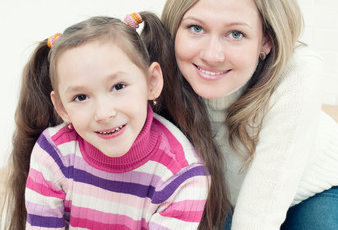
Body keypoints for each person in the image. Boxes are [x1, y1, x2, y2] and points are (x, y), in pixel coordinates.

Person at [159, 0, 338, 229]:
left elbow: (257, 218)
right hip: (225, 197)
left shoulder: (298, 73)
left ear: (266, 41)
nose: (211, 55)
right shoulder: (156, 71)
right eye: (196, 28)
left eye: (236, 34)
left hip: (313, 190)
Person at [1, 12, 216, 230]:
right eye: (81, 97)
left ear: (152, 82)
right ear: (62, 108)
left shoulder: (180, 175)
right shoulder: (54, 154)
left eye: (119, 86)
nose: (103, 114)